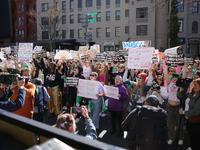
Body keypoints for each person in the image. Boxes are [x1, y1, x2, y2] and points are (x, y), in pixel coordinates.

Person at [164, 62, 185, 145]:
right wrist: (166, 65)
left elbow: (183, 76)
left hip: (178, 107)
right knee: (171, 124)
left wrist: (185, 64)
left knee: (180, 123)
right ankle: (171, 137)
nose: (175, 78)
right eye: (174, 77)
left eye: (176, 77)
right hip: (169, 106)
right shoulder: (170, 84)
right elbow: (165, 74)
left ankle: (181, 138)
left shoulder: (181, 86)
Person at [178, 78, 200, 150]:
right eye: (194, 84)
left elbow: (196, 111)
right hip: (188, 120)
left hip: (196, 122)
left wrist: (184, 112)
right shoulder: (192, 94)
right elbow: (180, 96)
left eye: (196, 85)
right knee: (191, 138)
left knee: (196, 140)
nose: (194, 86)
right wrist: (182, 87)